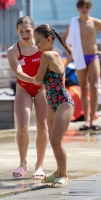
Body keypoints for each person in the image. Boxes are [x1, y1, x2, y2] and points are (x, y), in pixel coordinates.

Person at [15, 23, 75, 188]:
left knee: (55, 140)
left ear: (49, 39)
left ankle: (64, 175)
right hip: (52, 103)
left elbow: (39, 79)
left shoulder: (48, 55)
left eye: (39, 41)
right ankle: (57, 171)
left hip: (63, 103)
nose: (37, 45)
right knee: (54, 140)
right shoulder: (52, 53)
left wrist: (23, 78)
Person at [7, 16, 48, 179]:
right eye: (21, 32)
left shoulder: (43, 47)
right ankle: (23, 163)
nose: (25, 34)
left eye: (28, 31)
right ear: (17, 32)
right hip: (23, 88)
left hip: (42, 89)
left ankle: (39, 166)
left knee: (42, 125)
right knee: (22, 125)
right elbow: (17, 72)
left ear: (34, 30)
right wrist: (32, 80)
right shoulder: (13, 50)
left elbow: (58, 64)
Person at [62, 0, 101, 131]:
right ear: (78, 8)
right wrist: (70, 51)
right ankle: (87, 121)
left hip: (93, 55)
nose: (84, 9)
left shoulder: (95, 22)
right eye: (82, 7)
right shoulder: (74, 23)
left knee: (94, 87)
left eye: (87, 7)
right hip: (80, 57)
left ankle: (93, 119)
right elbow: (64, 39)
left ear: (90, 8)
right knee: (84, 89)